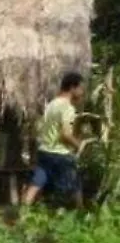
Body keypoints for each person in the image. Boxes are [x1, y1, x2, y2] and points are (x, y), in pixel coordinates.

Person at [23, 71, 87, 207]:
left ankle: (24, 210)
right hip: (60, 154)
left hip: (44, 151)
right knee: (75, 184)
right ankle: (81, 215)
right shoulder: (67, 108)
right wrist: (80, 145)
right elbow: (65, 135)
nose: (82, 92)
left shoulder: (51, 104)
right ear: (72, 88)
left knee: (37, 182)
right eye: (80, 88)